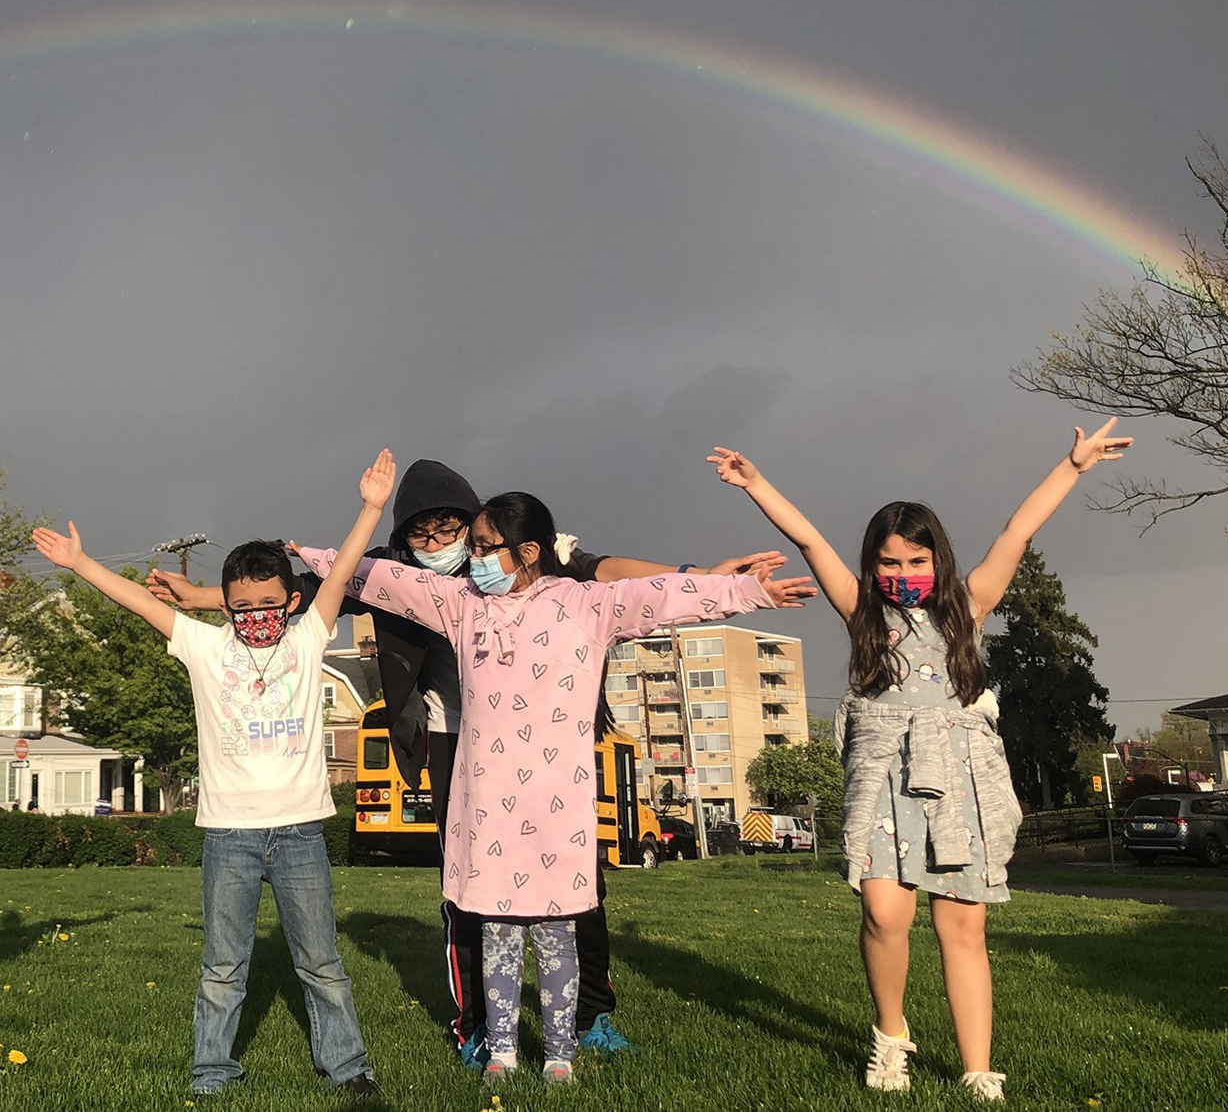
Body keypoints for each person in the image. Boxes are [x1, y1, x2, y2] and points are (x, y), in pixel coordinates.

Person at [150, 456, 781, 1065]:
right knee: (470, 886)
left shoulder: (531, 554)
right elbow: (297, 595)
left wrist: (707, 574)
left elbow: (617, 575)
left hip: (550, 744)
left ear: (486, 528)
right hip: (454, 738)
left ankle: (592, 1017)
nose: (439, 544)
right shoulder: (400, 575)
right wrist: (197, 597)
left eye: (450, 530)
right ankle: (477, 1024)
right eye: (421, 534)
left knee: (579, 882)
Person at [299, 491, 814, 1084]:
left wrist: (752, 593)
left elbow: (665, 598)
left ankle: (561, 1055)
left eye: (487, 548)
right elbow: (380, 579)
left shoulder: (588, 605)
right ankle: (500, 1050)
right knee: (495, 927)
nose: (475, 559)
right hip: (485, 802)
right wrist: (314, 555)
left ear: (529, 551)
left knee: (557, 926)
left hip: (557, 804)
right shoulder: (462, 605)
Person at [708, 420, 1132, 1103]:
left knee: (961, 925)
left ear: (940, 561)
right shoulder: (861, 613)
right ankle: (890, 1036)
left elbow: (1016, 533)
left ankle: (975, 1067)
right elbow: (809, 538)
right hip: (883, 779)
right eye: (889, 563)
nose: (902, 575)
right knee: (884, 913)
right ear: (873, 566)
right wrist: (756, 484)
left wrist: (1073, 466)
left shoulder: (969, 605)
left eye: (916, 561)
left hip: (957, 777)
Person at [31, 449, 396, 1099]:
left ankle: (347, 1066)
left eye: (267, 601)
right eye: (241, 604)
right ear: (223, 606)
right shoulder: (204, 646)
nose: (255, 614)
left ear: (289, 600)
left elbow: (340, 573)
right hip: (228, 836)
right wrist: (81, 564)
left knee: (322, 964)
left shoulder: (309, 638)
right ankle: (211, 1071)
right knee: (223, 968)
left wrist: (370, 507)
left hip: (301, 834)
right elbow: (139, 606)